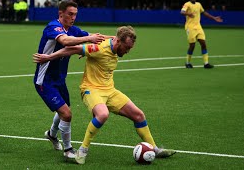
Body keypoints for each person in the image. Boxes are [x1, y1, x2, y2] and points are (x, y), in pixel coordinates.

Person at [33, 26, 176, 164]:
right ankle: (83, 150)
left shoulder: (116, 42)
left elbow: (112, 36)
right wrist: (49, 57)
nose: (127, 51)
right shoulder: (99, 48)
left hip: (110, 91)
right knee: (102, 114)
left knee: (139, 115)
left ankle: (155, 149)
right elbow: (72, 49)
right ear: (118, 42)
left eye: (130, 48)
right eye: (127, 47)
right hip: (91, 89)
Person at [33, 0, 110, 159]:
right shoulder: (53, 27)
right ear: (61, 14)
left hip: (60, 80)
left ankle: (52, 135)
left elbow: (97, 37)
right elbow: (66, 41)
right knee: (66, 114)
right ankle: (68, 150)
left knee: (64, 110)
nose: (73, 17)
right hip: (45, 81)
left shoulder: (73, 29)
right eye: (70, 14)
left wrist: (119, 38)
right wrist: (87, 39)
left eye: (75, 14)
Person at [180, 0, 223, 69]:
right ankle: (187, 63)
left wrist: (213, 18)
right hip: (190, 27)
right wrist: (188, 14)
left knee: (203, 43)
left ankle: (206, 63)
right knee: (192, 46)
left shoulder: (199, 4)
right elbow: (182, 12)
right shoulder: (187, 4)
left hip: (198, 27)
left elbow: (204, 12)